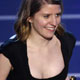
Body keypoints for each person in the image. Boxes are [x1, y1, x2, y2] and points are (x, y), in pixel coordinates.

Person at [0, 0, 76, 80]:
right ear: (30, 18)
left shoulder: (67, 41)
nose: (54, 22)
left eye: (57, 15)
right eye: (46, 16)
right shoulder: (10, 51)